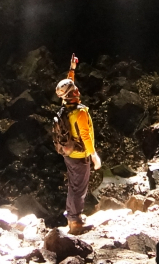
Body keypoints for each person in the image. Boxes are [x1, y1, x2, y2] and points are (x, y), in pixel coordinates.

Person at [55, 54, 101, 235]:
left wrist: (72, 69)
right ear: (72, 94)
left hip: (68, 154)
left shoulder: (65, 107)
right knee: (79, 188)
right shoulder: (79, 113)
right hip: (79, 155)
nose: (77, 90)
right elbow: (85, 135)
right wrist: (93, 155)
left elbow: (68, 84)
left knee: (74, 185)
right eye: (75, 90)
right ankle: (75, 222)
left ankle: (72, 216)